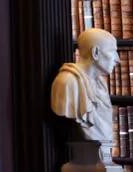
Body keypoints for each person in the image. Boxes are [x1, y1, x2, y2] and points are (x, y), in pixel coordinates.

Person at [51, 27, 120, 167]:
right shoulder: (67, 83)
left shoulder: (101, 84)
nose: (118, 60)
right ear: (95, 53)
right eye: (113, 52)